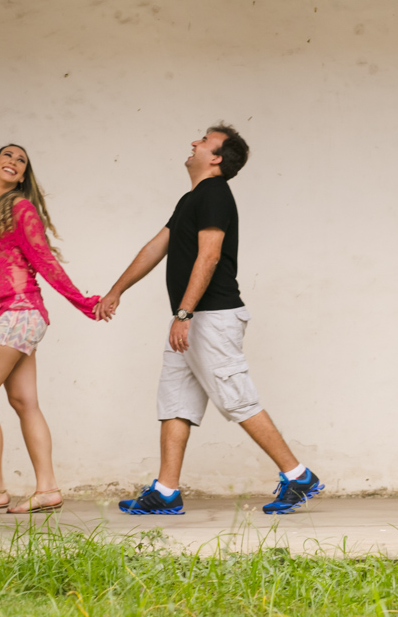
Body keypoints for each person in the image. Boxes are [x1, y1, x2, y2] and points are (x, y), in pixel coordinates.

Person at [95, 124, 323, 515]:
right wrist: (117, 290)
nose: (194, 142)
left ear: (216, 158)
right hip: (191, 318)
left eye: (203, 141)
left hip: (210, 316)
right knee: (175, 402)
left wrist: (184, 312)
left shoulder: (215, 194)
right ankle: (165, 492)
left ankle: (298, 475)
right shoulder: (192, 198)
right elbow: (156, 246)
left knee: (237, 399)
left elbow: (210, 255)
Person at [0, 144, 102, 514]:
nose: (14, 162)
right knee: (24, 401)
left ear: (24, 174)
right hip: (5, 315)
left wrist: (83, 302)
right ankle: (47, 489)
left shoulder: (20, 208)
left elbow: (43, 259)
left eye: (22, 160)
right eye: (8, 156)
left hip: (17, 310)